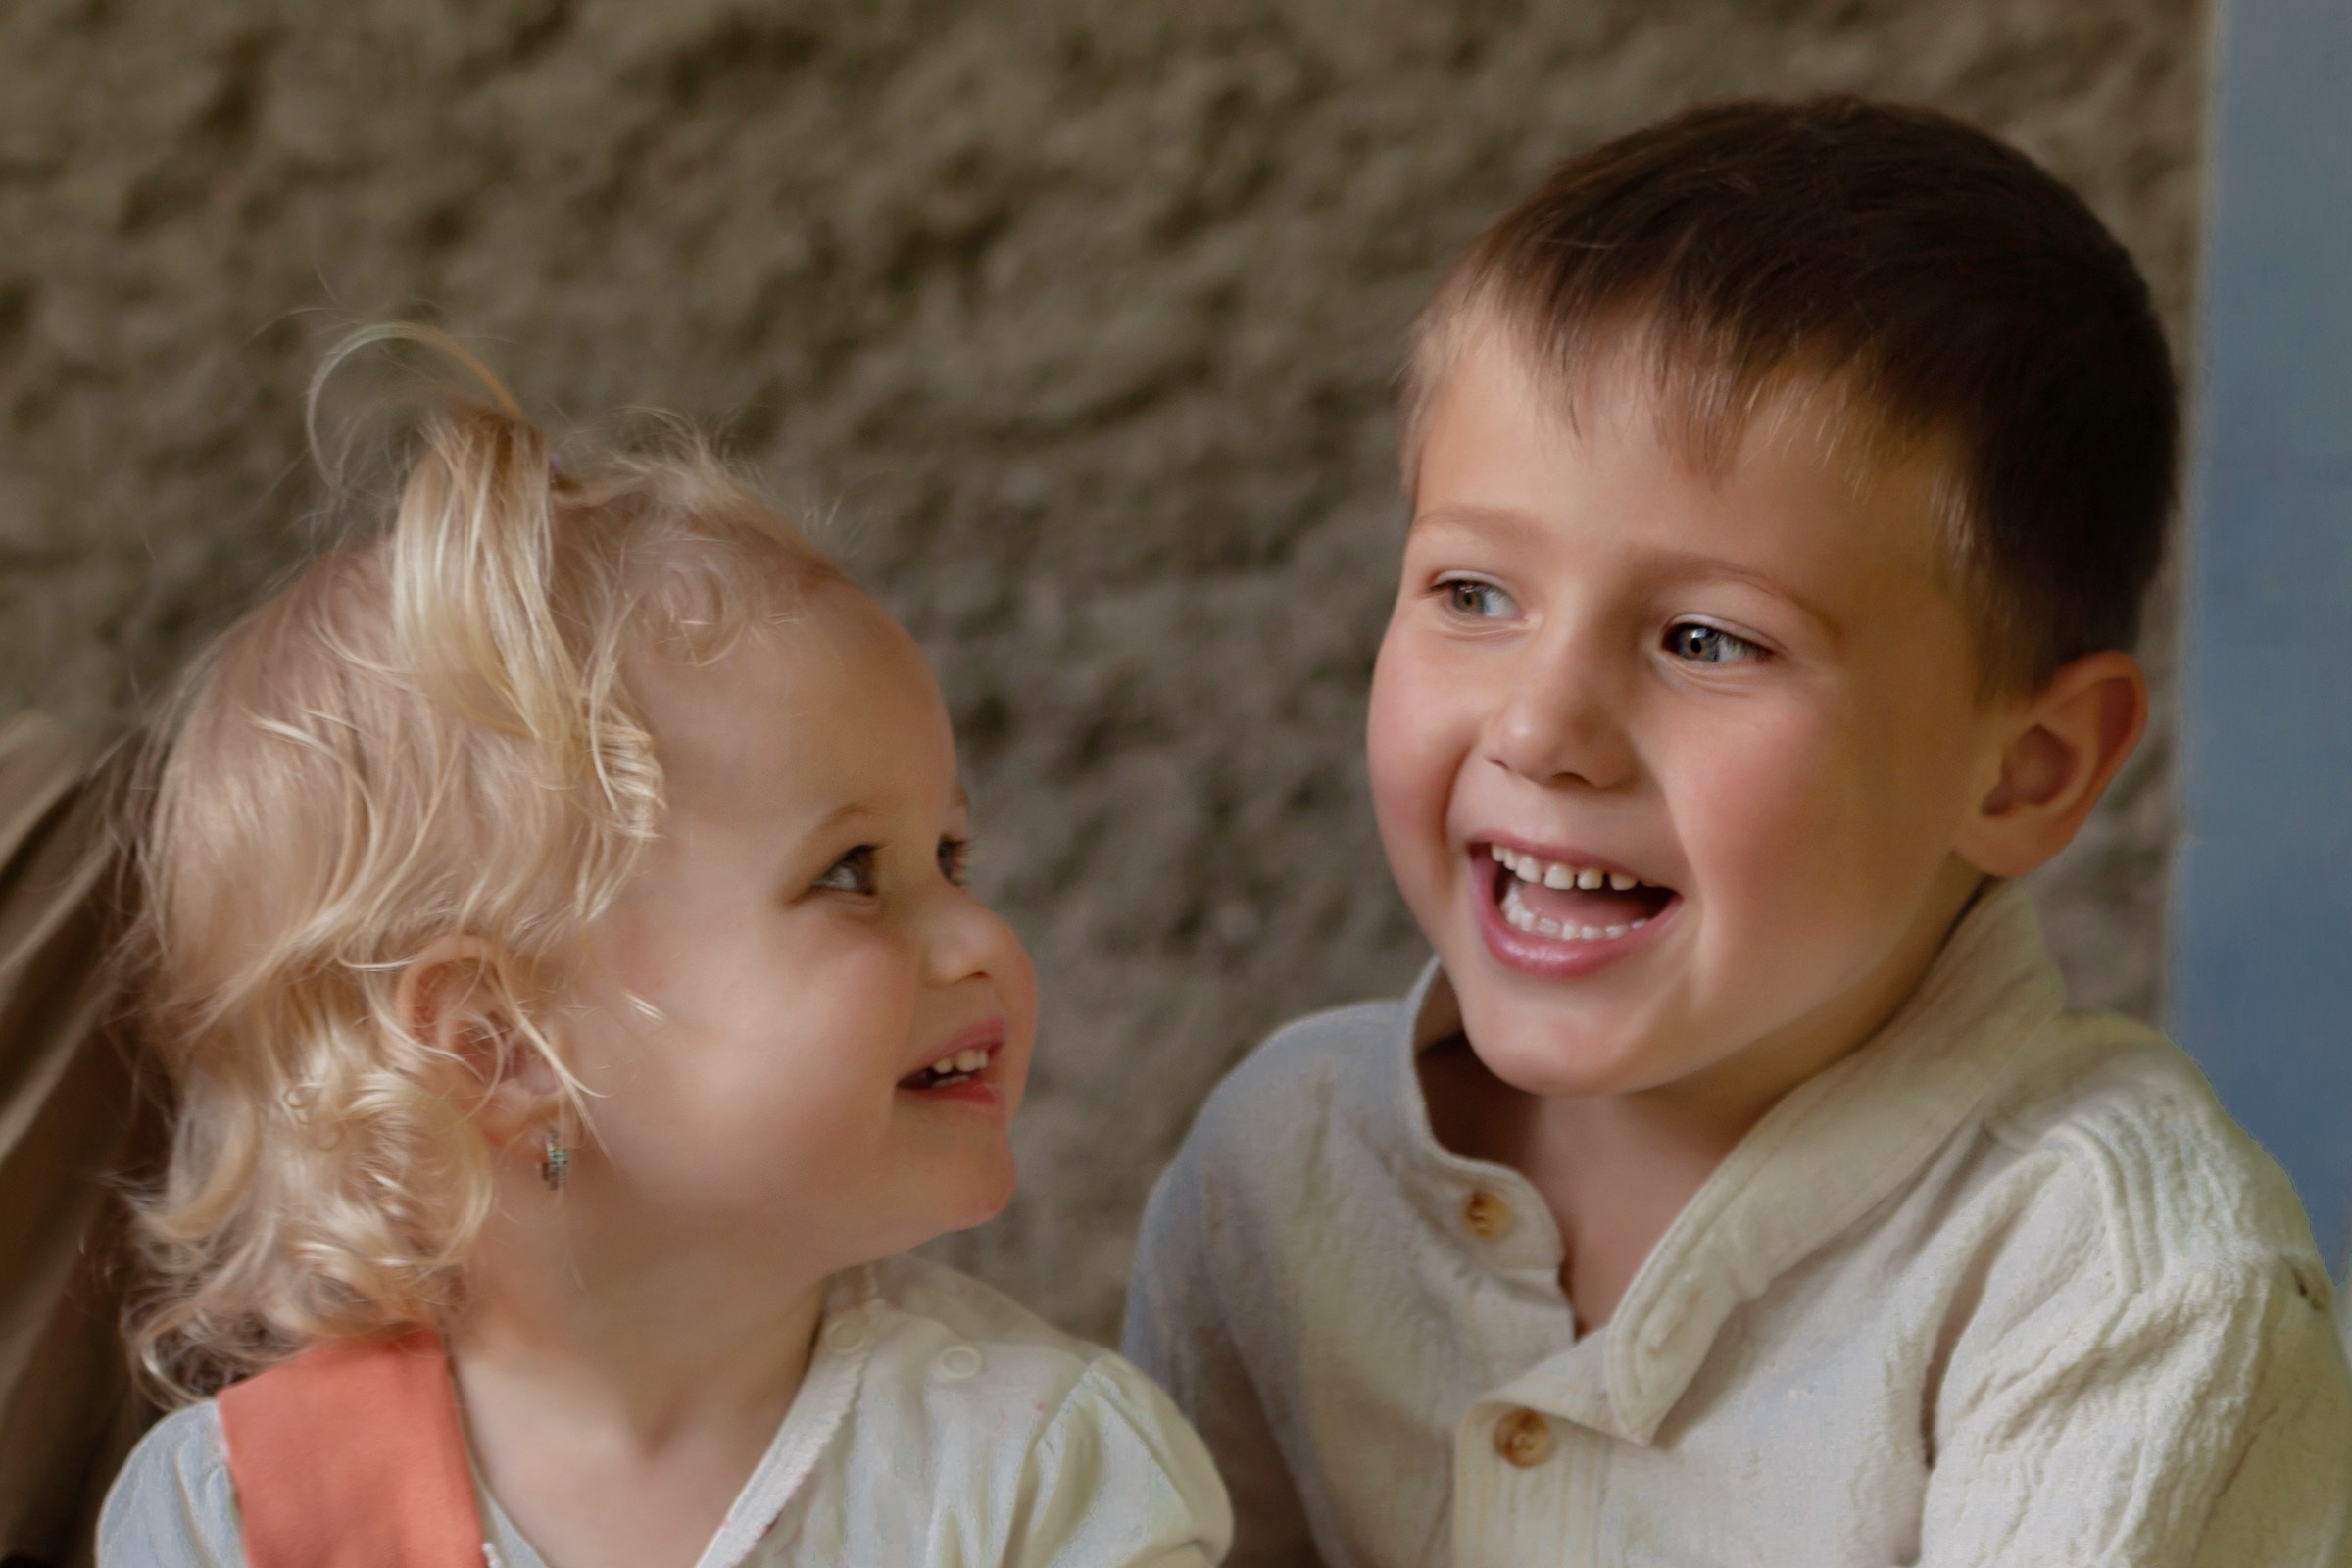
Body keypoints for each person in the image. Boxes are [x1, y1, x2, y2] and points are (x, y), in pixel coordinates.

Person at [1124, 98, 2352, 1565]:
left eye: (1709, 639)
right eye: (1472, 595)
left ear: (2026, 769)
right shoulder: (1280, 1165)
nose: (1540, 727)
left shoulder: (2123, 1289)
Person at [98, 328, 1231, 1567]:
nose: (978, 937)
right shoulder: (238, 1514)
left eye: (953, 857)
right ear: (497, 1042)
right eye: (851, 873)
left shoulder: (1041, 1469)